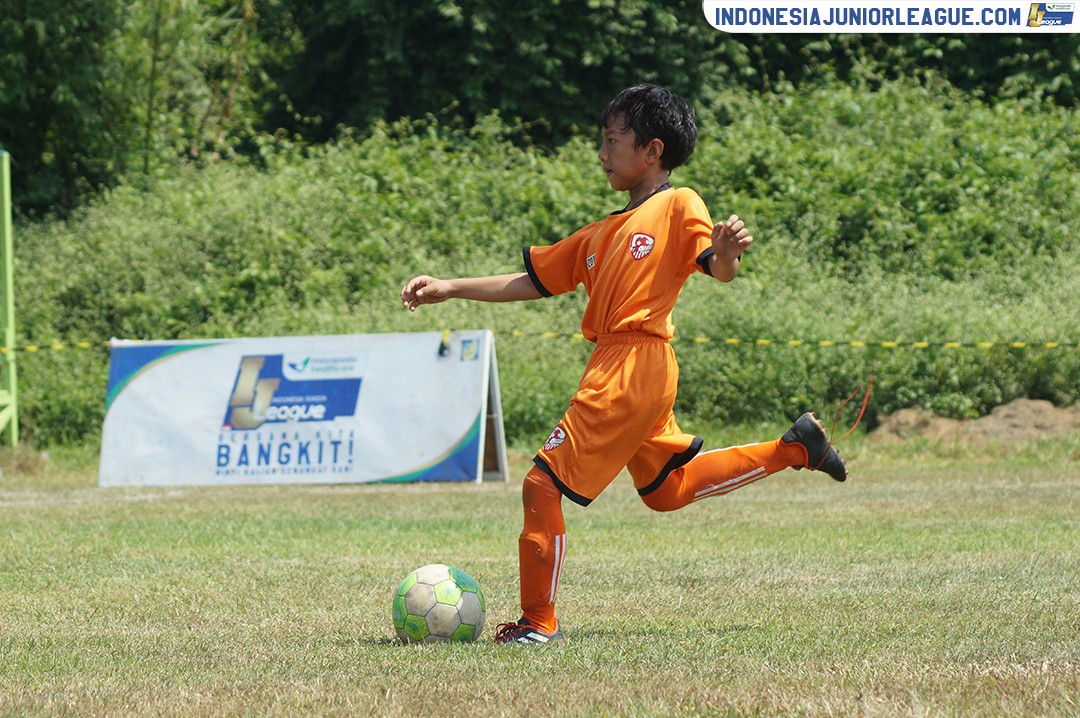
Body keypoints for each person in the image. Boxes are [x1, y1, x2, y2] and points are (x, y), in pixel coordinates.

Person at [400, 83, 847, 645]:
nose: (602, 152)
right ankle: (796, 447)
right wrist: (450, 286)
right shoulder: (601, 232)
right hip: (627, 366)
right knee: (668, 490)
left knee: (541, 484)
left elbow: (716, 266)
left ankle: (538, 624)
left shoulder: (678, 204)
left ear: (653, 151)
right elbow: (533, 280)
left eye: (613, 140)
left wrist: (729, 252)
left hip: (633, 365)